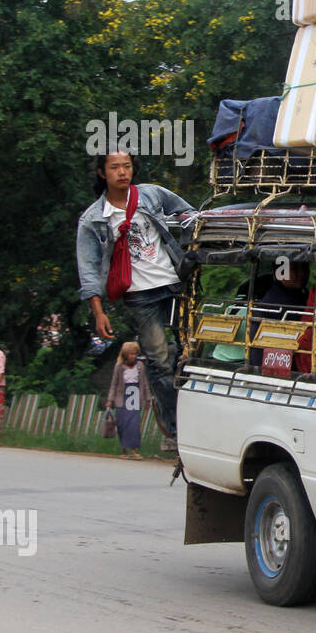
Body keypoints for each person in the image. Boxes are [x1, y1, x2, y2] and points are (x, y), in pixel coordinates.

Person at [76, 150, 194, 451]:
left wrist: (191, 250)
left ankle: (195, 419)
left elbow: (188, 212)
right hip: (138, 295)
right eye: (114, 167)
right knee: (159, 360)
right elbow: (88, 268)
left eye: (126, 166)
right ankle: (177, 429)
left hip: (174, 282)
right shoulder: (93, 219)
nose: (122, 172)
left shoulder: (151, 195)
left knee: (190, 353)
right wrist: (98, 311)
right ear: (102, 172)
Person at [248, 260, 310, 367]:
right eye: (295, 269)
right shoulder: (273, 303)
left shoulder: (301, 296)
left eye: (304, 268)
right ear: (280, 272)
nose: (302, 274)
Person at [106, 341, 150, 460]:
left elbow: (144, 383)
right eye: (131, 354)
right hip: (122, 397)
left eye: (135, 353)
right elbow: (114, 384)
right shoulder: (119, 366)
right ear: (125, 354)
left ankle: (133, 450)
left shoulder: (140, 366)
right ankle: (124, 450)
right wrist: (110, 399)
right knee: (122, 424)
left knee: (134, 424)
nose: (133, 356)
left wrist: (148, 399)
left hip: (135, 395)